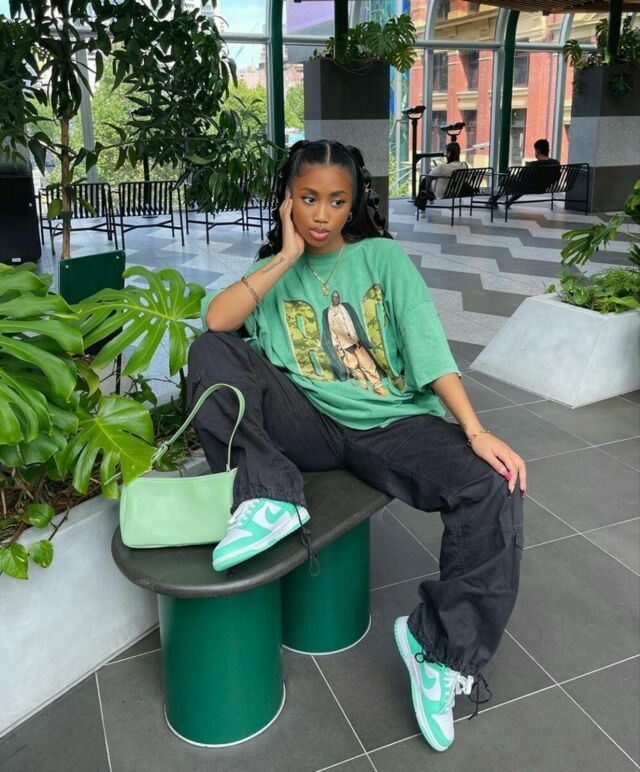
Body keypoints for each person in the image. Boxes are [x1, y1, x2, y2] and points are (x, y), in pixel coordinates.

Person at [188, 139, 526, 754]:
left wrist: (476, 432)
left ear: (354, 204)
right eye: (308, 198)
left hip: (393, 425)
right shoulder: (275, 270)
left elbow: (428, 348)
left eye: (336, 201)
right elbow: (217, 323)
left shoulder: (381, 258)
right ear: (287, 198)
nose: (321, 215)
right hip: (309, 422)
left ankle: (438, 652)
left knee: (493, 486)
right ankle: (267, 496)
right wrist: (285, 255)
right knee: (209, 350)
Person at [486, 138, 560, 208]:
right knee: (524, 183)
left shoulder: (532, 165)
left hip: (529, 187)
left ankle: (492, 200)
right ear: (548, 150)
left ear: (537, 151)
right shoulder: (556, 163)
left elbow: (521, 177)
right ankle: (510, 201)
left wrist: (510, 175)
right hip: (544, 188)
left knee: (506, 179)